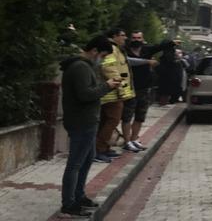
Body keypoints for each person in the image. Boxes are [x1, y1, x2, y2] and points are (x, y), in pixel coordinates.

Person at [60, 36, 121, 217]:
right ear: (94, 51)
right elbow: (85, 95)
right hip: (81, 122)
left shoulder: (86, 66)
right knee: (76, 164)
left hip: (87, 121)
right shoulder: (80, 67)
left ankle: (79, 196)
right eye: (102, 55)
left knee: (86, 161)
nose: (101, 59)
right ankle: (68, 204)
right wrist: (107, 86)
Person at [120, 31, 169, 152]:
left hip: (144, 88)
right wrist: (147, 62)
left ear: (142, 39)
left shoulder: (146, 50)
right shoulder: (124, 50)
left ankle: (134, 138)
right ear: (130, 39)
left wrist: (172, 43)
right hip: (129, 88)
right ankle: (127, 141)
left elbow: (159, 46)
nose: (136, 40)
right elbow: (127, 61)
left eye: (139, 38)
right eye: (134, 37)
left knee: (140, 116)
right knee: (127, 116)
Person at [95, 28, 135, 163]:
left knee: (107, 121)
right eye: (122, 35)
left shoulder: (116, 49)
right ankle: (99, 150)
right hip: (112, 94)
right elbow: (110, 69)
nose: (125, 38)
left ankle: (104, 148)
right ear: (114, 36)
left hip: (112, 92)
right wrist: (122, 91)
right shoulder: (111, 49)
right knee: (112, 121)